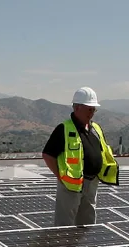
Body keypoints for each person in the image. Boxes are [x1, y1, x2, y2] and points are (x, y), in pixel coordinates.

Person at [42, 87, 119, 227]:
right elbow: (48, 155)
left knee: (87, 225)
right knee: (65, 225)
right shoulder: (64, 129)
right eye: (89, 109)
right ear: (77, 108)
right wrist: (60, 176)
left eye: (94, 109)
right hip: (70, 186)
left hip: (92, 183)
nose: (92, 113)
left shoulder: (95, 128)